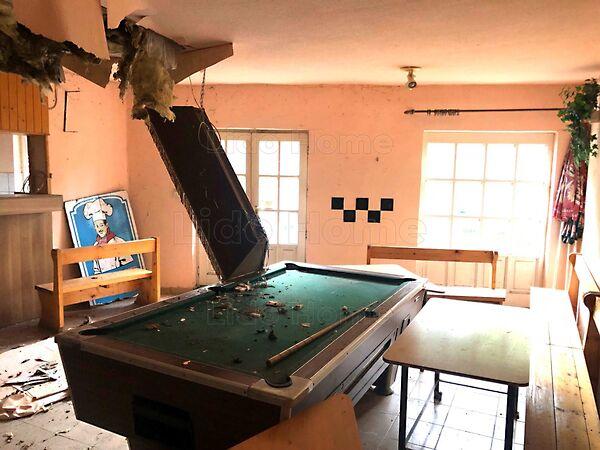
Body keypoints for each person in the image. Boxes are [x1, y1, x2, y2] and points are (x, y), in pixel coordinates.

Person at [83, 198, 134, 274]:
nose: (100, 229)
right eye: (97, 226)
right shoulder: (95, 246)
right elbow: (96, 270)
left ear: (106, 225)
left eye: (101, 225)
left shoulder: (118, 242)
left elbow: (128, 266)